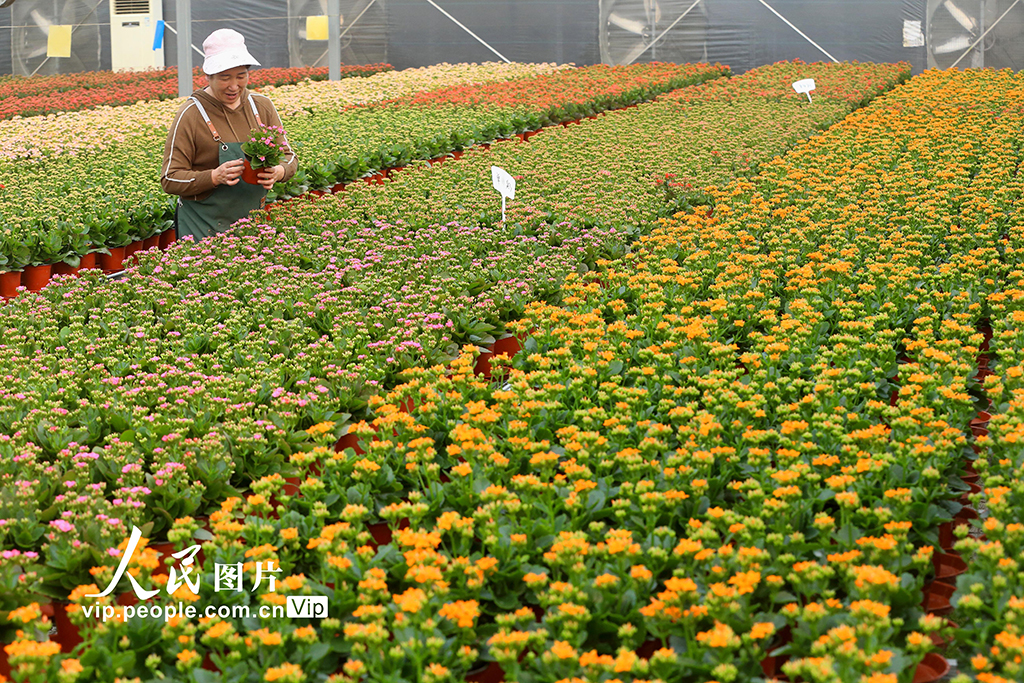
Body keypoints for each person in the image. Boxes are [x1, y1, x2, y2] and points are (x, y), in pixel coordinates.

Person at [160, 29, 298, 241]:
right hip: (202, 227)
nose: (234, 86)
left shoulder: (261, 107)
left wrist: (278, 171)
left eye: (241, 76)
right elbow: (170, 178)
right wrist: (214, 177)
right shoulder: (191, 114)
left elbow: (289, 157)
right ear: (208, 76)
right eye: (225, 78)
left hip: (253, 224)